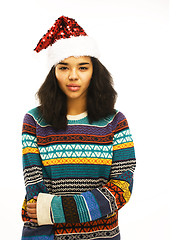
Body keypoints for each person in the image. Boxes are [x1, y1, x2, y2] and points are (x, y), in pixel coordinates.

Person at [21, 16, 136, 240]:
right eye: (64, 67)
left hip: (102, 236)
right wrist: (47, 209)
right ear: (54, 72)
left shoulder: (115, 122)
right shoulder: (34, 121)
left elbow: (122, 188)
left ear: (94, 71)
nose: (73, 76)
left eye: (82, 67)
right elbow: (35, 199)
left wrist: (57, 209)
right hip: (47, 236)